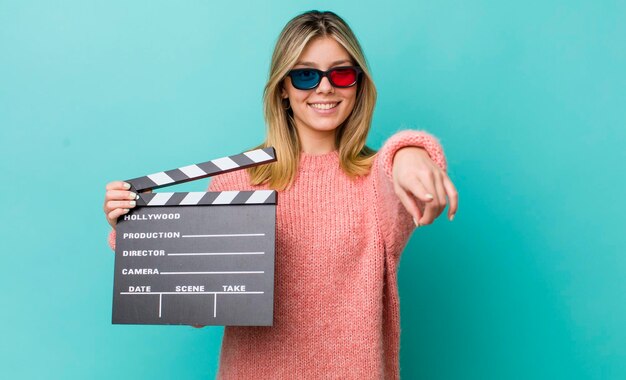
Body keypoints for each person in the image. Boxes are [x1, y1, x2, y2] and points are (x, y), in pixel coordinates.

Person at [103, 10, 458, 379]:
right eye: (305, 75)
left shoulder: (377, 183)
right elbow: (197, 311)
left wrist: (411, 152)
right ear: (283, 89)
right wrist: (136, 229)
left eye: (341, 73)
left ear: (358, 85)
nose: (324, 88)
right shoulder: (237, 182)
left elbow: (399, 163)